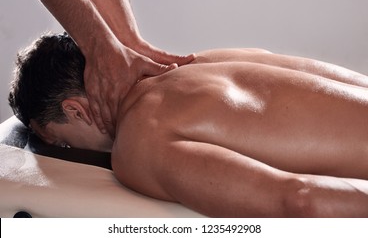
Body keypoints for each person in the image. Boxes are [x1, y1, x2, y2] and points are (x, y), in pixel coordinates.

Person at [9, 33, 368, 218]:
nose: (72, 152)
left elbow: (300, 203)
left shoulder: (139, 141)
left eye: (64, 143)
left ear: (75, 111)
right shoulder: (204, 61)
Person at [10, 0, 195, 136]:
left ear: (77, 112)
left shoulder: (140, 149)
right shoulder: (201, 66)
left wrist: (121, 41)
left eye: (64, 144)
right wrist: (109, 44)